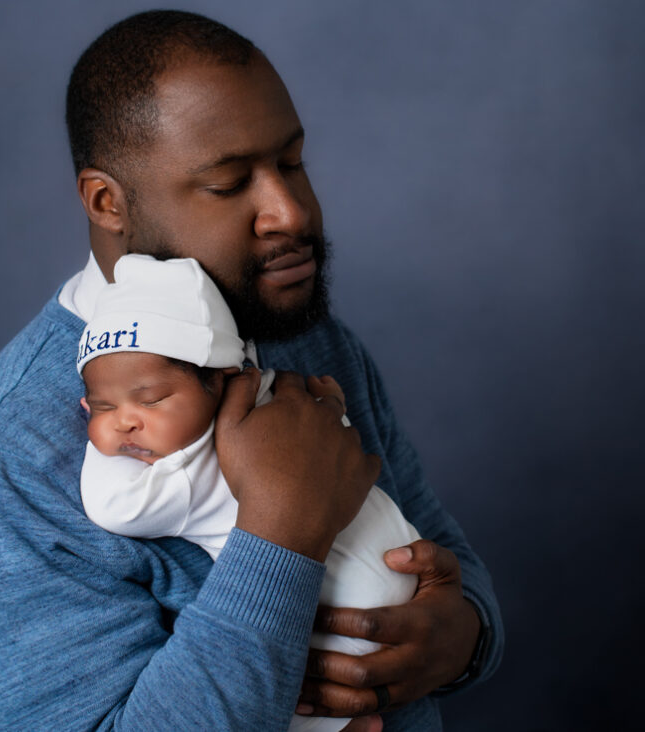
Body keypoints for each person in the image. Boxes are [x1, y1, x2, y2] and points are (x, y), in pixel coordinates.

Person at [0, 10, 503, 731]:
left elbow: (442, 549)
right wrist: (282, 529)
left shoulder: (309, 339)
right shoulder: (2, 460)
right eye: (230, 185)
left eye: (292, 163)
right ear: (108, 203)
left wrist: (466, 637)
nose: (290, 211)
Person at [77, 254, 422, 732]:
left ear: (219, 381)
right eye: (101, 406)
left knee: (298, 703)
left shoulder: (179, 477)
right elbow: (328, 421)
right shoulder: (276, 393)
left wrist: (102, 439)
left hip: (353, 616)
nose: (126, 421)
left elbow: (111, 509)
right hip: (395, 581)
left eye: (151, 400)